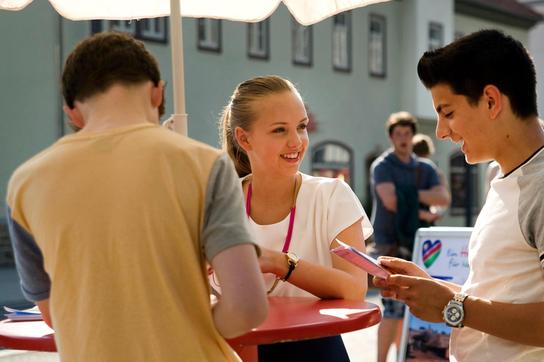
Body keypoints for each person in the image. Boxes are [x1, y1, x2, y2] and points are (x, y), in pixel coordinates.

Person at [6, 32, 267, 361]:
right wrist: (190, 325)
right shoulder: (204, 164)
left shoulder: (26, 184)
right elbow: (248, 307)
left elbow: (53, 314)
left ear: (72, 112)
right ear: (157, 93)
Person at [374, 29, 544, 361]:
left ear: (492, 101)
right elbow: (504, 296)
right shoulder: (508, 174)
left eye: (448, 112)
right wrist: (437, 293)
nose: (440, 131)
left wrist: (452, 306)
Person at [219, 75, 373, 362]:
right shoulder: (217, 202)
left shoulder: (331, 195)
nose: (297, 141)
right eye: (279, 130)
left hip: (314, 352)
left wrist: (278, 262)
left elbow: (355, 288)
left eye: (301, 127)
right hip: (230, 352)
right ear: (244, 138)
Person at [369, 112, 450, 362]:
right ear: (391, 137)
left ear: (413, 136)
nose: (403, 138)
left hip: (419, 245)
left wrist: (409, 195)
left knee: (410, 307)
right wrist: (424, 211)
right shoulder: (383, 166)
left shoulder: (424, 167)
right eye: (398, 134)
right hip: (389, 244)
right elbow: (391, 202)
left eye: (407, 133)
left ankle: (401, 357)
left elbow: (443, 198)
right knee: (393, 309)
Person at [412, 133, 451, 224]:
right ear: (428, 152)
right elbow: (445, 200)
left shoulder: (403, 169)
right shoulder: (434, 171)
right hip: (424, 221)